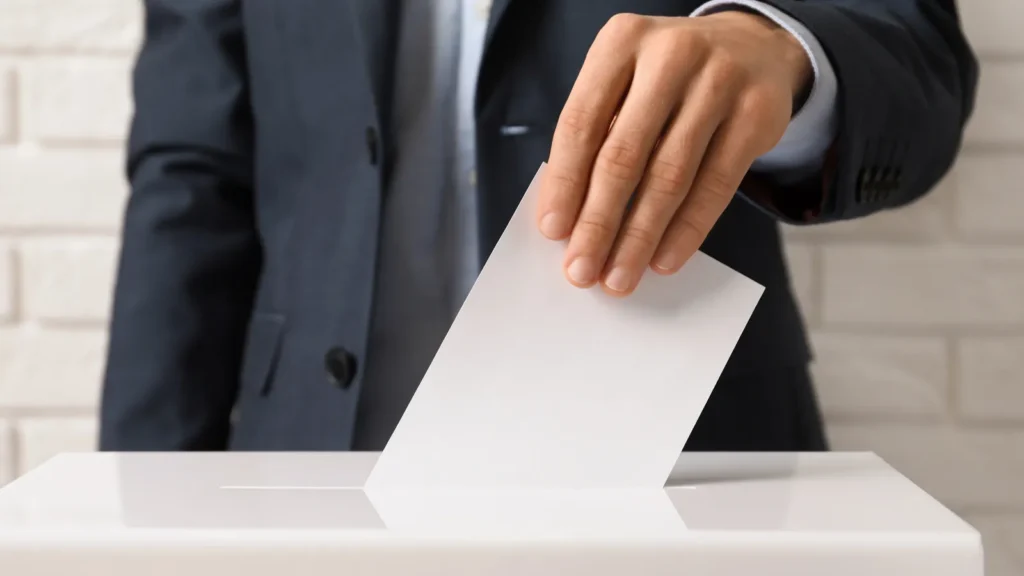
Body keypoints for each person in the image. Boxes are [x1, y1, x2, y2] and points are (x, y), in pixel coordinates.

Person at [98, 0, 978, 452]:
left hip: (683, 461)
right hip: (311, 461)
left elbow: (916, 49)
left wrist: (780, 46)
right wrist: (131, 508)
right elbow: (193, 174)